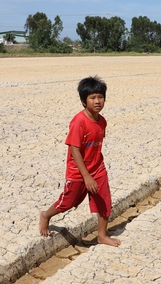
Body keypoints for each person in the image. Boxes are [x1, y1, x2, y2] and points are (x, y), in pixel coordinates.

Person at [39, 76, 121, 247]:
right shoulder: (79, 122)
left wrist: (94, 173)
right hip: (78, 171)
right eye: (92, 98)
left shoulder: (102, 121)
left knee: (104, 201)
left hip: (97, 168)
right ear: (84, 101)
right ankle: (46, 215)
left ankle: (101, 236)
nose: (97, 101)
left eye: (100, 97)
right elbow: (74, 150)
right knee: (69, 202)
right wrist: (86, 176)